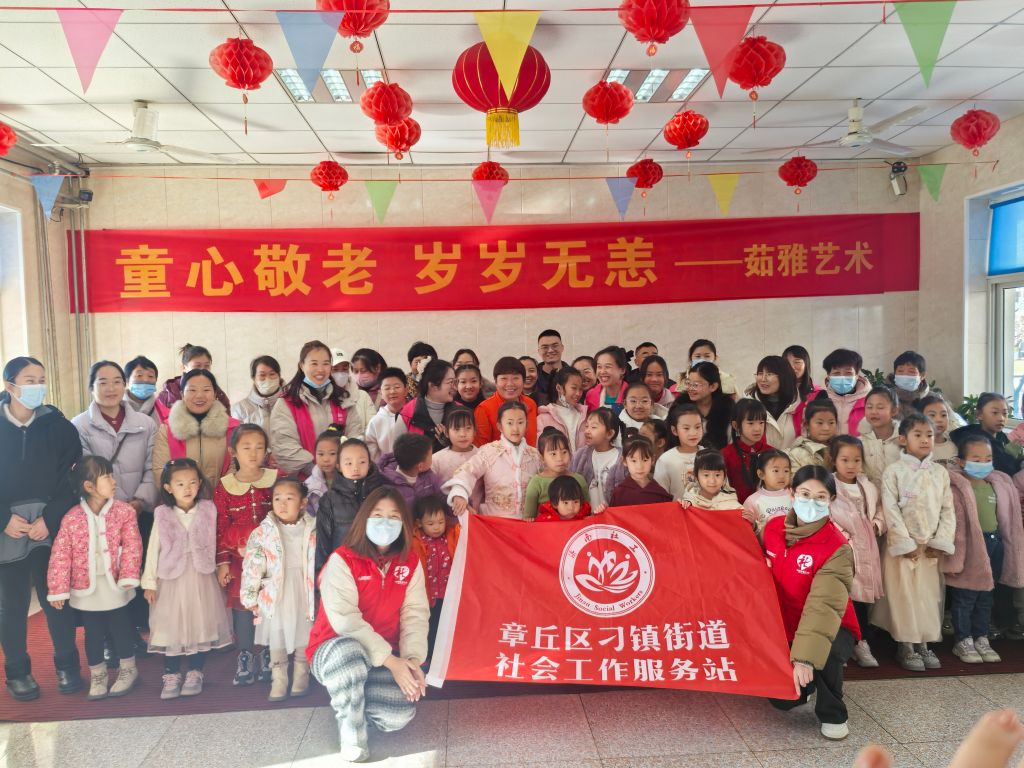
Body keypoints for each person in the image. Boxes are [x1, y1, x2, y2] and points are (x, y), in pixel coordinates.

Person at [307, 486, 428, 763]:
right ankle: (350, 727)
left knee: (398, 713)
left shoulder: (410, 562)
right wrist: (391, 661)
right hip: (334, 650)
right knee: (349, 652)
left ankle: (353, 700)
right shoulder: (343, 560)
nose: (385, 522)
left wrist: (410, 661)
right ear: (363, 519)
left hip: (383, 657)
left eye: (394, 516)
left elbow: (415, 613)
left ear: (404, 524)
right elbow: (346, 620)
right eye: (377, 514)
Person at [0, 356, 83, 700]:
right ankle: (18, 673)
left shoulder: (59, 427)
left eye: (41, 380)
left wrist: (49, 519)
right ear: (10, 386)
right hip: (8, 529)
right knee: (12, 604)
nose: (37, 387)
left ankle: (67, 666)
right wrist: (4, 519)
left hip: (49, 524)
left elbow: (74, 479)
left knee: (56, 599)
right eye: (29, 380)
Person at [763, 465, 859, 742]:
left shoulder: (837, 548)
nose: (811, 502)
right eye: (805, 494)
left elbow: (823, 608)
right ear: (792, 494)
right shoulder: (773, 528)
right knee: (783, 700)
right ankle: (806, 684)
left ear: (831, 500)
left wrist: (805, 659)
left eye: (820, 497)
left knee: (825, 651)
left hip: (831, 625)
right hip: (786, 625)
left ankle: (833, 712)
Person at [72, 360, 158, 659]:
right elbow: (85, 471)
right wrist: (110, 507)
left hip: (139, 512)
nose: (111, 388)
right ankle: (109, 640)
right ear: (91, 387)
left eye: (117, 381)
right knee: (106, 577)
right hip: (101, 516)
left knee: (134, 572)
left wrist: (140, 501)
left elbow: (153, 467)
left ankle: (133, 634)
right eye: (103, 382)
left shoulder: (146, 424)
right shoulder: (79, 426)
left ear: (124, 385)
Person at [46, 455, 143, 700]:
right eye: (107, 477)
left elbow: (132, 545)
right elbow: (61, 554)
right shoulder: (72, 518)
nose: (113, 481)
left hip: (115, 585)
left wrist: (129, 575)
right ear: (89, 486)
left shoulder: (124, 512)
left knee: (121, 627)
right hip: (86, 587)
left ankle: (128, 669)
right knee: (92, 633)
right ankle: (98, 674)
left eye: (112, 475)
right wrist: (58, 589)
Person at [143, 458, 233, 699]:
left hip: (201, 577)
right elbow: (153, 549)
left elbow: (218, 540)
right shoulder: (162, 514)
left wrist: (222, 566)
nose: (187, 488)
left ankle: (195, 671)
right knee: (170, 626)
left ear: (200, 483)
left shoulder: (208, 509)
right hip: (171, 579)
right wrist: (149, 582)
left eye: (193, 482)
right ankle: (171, 674)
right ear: (168, 487)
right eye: (180, 484)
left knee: (200, 624)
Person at [872, 413, 955, 673]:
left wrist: (940, 541)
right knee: (903, 595)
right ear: (903, 439)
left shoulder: (940, 473)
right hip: (902, 548)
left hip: (929, 547)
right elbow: (890, 509)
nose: (924, 440)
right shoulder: (894, 471)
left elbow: (947, 510)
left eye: (929, 435)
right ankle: (906, 644)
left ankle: (924, 642)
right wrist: (905, 544)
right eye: (917, 435)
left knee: (928, 596)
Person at [944, 434, 1024, 665]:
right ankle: (963, 639)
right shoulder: (957, 487)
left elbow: (1007, 520)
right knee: (965, 596)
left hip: (995, 544)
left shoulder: (996, 485)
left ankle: (981, 637)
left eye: (988, 459)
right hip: (970, 547)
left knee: (986, 595)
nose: (983, 463)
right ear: (961, 461)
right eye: (976, 459)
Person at [240, 475, 317, 702]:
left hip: (304, 589)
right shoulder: (263, 532)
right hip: (276, 592)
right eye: (277, 499)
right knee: (278, 635)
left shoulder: (313, 528)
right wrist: (250, 595)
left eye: (289, 498)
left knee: (304, 633)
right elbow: (253, 565)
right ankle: (279, 678)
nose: (282, 504)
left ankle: (301, 675)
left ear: (303, 502)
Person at [214, 423, 278, 687]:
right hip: (240, 561)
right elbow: (220, 526)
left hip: (273, 558)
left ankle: (268, 652)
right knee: (242, 605)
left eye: (259, 447)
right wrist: (223, 563)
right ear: (233, 452)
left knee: (269, 603)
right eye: (246, 447)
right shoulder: (224, 487)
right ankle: (245, 654)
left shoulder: (276, 479)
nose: (253, 453)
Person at [828, 435, 885, 669]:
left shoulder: (867, 486)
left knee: (860, 600)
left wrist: (877, 524)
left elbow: (879, 510)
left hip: (867, 548)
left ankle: (860, 642)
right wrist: (843, 534)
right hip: (842, 548)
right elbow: (827, 515)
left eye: (856, 460)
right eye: (845, 460)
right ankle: (840, 646)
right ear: (833, 460)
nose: (851, 465)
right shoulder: (829, 485)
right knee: (842, 597)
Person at [269, 340, 364, 476]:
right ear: (302, 366)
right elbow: (284, 445)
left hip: (342, 476)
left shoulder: (343, 399)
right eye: (314, 363)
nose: (320, 369)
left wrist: (343, 469)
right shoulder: (286, 402)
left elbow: (355, 436)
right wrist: (316, 473)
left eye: (326, 363)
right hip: (303, 481)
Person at [445, 400, 543, 519]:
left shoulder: (535, 456)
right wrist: (460, 493)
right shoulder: (488, 452)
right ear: (500, 426)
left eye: (520, 422)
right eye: (510, 423)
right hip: (494, 521)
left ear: (527, 425)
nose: (515, 428)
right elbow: (467, 471)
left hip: (528, 523)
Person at [152, 368, 239, 489]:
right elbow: (161, 472)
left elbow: (234, 467)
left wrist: (221, 497)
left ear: (215, 394)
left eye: (206, 390)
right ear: (182, 394)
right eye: (192, 390)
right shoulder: (167, 430)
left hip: (222, 498)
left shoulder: (231, 428)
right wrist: (186, 496)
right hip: (181, 500)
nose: (199, 395)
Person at [315, 438, 387, 576]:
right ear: (338, 466)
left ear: (369, 464)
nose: (355, 468)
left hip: (377, 573)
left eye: (362, 462)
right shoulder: (329, 500)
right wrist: (321, 578)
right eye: (348, 463)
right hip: (343, 572)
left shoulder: (382, 495)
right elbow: (322, 546)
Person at [410, 495, 459, 660]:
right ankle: (429, 657)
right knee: (429, 627)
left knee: (447, 627)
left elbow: (464, 527)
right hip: (427, 595)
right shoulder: (416, 540)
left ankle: (447, 658)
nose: (437, 527)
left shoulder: (451, 536)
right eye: (430, 524)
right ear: (419, 523)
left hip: (448, 596)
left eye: (441, 522)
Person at [154, 343, 230, 423]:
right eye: (197, 366)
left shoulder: (219, 394)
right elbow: (160, 426)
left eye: (207, 366)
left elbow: (228, 424)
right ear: (184, 367)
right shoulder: (168, 395)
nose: (202, 370)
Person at [524, 428, 589, 520]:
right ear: (542, 457)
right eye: (553, 454)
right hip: (546, 528)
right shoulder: (536, 483)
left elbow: (588, 512)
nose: (560, 458)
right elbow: (529, 518)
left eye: (564, 452)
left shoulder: (579, 480)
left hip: (575, 528)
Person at [951, 393, 1023, 477]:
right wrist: (1011, 455)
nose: (1001, 418)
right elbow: (1004, 469)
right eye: (995, 413)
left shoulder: (1001, 435)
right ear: (979, 415)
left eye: (1005, 413)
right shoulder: (975, 441)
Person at [570, 408, 626, 511]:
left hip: (613, 516)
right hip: (587, 516)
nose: (587, 431)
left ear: (609, 434)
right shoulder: (580, 455)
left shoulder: (623, 459)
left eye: (593, 427)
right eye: (587, 426)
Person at [474, 357, 538, 447]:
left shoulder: (530, 404)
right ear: (496, 382)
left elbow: (532, 441)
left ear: (523, 381)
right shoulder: (484, 409)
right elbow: (481, 448)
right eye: (504, 378)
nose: (510, 384)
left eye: (515, 378)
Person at [399, 359, 457, 453]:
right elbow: (398, 452)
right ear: (432, 385)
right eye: (450, 382)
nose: (455, 387)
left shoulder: (460, 411)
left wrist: (450, 443)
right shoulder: (408, 413)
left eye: (455, 382)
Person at [430, 408, 482, 511]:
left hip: (478, 515)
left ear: (475, 431)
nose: (463, 434)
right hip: (449, 515)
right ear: (447, 432)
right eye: (456, 429)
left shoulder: (482, 456)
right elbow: (432, 490)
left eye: (468, 428)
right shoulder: (436, 459)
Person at [722, 398, 772, 503]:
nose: (757, 428)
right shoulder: (725, 455)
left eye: (761, 422)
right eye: (751, 423)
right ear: (736, 425)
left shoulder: (771, 453)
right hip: (736, 508)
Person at [379, 433, 445, 511]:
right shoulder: (387, 486)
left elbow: (443, 498)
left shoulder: (429, 476)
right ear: (420, 466)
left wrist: (454, 497)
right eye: (430, 456)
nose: (432, 458)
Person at [747, 355, 802, 450]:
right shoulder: (747, 407)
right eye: (760, 373)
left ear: (784, 377)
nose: (763, 379)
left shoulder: (800, 407)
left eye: (769, 374)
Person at [675, 361, 732, 450]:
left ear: (713, 386)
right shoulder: (680, 405)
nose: (690, 388)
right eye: (688, 383)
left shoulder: (726, 409)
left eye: (696, 385)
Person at [654, 402, 704, 500]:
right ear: (674, 430)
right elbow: (659, 496)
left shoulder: (711, 456)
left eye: (698, 427)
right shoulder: (666, 460)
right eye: (686, 428)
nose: (693, 432)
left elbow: (722, 489)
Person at [860, 386, 902, 495]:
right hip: (871, 499)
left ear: (894, 410)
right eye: (869, 407)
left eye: (880, 407)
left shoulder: (904, 440)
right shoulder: (859, 443)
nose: (874, 412)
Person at [536, 367, 587, 454]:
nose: (578, 393)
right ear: (559, 388)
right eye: (574, 388)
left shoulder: (584, 415)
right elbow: (540, 451)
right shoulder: (543, 419)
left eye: (581, 389)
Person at [821, 348, 871, 436]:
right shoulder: (820, 399)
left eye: (848, 373)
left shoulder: (870, 401)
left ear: (857, 375)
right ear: (828, 376)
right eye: (836, 373)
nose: (842, 377)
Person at [741, 449, 793, 535]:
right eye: (776, 471)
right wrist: (754, 525)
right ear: (761, 474)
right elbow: (747, 531)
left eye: (786, 471)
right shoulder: (752, 501)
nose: (782, 476)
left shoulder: (797, 494)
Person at [610, 436, 672, 506]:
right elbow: (612, 512)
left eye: (645, 460)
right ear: (624, 461)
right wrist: (602, 510)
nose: (639, 467)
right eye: (634, 461)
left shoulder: (660, 493)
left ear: (652, 460)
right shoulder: (619, 494)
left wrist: (679, 505)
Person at [364, 367, 409, 463]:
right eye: (387, 388)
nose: (392, 391)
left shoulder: (415, 414)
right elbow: (373, 454)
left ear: (406, 390)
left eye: (397, 387)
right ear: (381, 393)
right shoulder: (376, 421)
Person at [330, 349, 375, 437]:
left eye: (344, 369)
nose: (341, 373)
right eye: (335, 369)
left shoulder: (362, 396)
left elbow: (373, 429)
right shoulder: (323, 398)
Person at [788, 396, 839, 470]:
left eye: (831, 423)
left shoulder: (842, 449)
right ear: (806, 424)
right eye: (820, 423)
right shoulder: (796, 454)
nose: (826, 428)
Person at [232, 355, 283, 428]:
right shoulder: (240, 409)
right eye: (262, 375)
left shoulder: (291, 404)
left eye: (272, 374)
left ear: (279, 376)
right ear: (253, 378)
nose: (267, 379)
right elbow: (237, 434)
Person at [304, 428, 342, 518]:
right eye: (321, 454)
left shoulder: (350, 480)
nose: (325, 459)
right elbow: (308, 514)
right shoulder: (309, 485)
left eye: (332, 453)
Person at [887, 350, 936, 419]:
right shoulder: (884, 397)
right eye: (900, 371)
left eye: (911, 372)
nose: (905, 375)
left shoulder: (933, 399)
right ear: (895, 374)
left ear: (922, 375)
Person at [585, 346, 629, 416]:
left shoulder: (633, 395)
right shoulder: (591, 395)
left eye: (608, 367)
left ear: (622, 370)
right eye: (599, 367)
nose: (602, 371)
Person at [918, 394, 957, 465]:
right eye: (932, 415)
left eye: (943, 415)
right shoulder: (917, 447)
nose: (939, 420)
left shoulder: (954, 446)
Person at [535, 330, 572, 401]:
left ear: (562, 348)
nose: (550, 350)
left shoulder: (572, 374)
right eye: (545, 347)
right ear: (539, 351)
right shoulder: (533, 376)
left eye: (555, 346)